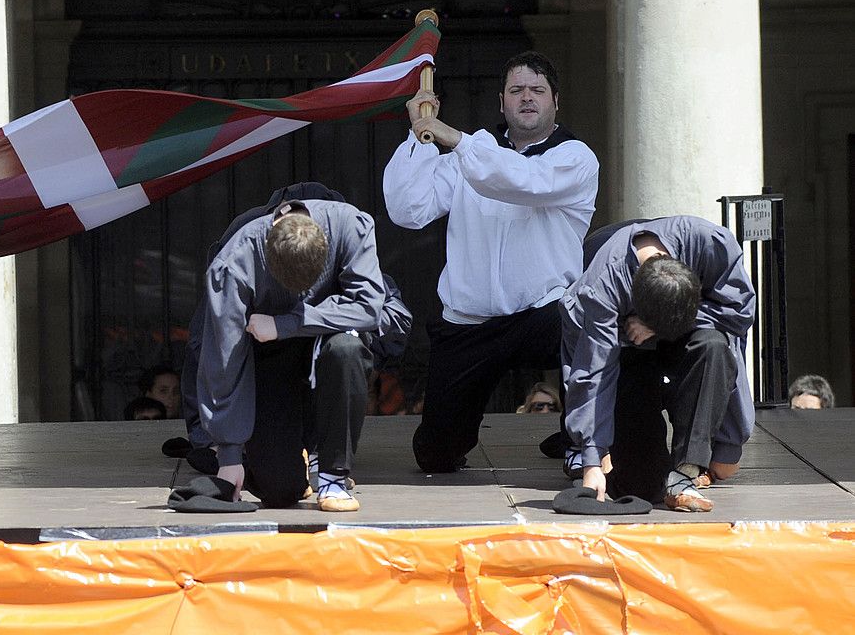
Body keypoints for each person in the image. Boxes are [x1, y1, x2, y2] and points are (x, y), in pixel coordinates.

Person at [382, 51, 599, 472]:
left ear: (556, 100)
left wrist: (457, 140)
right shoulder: (471, 155)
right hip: (470, 323)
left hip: (544, 312)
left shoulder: (575, 157)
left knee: (592, 325)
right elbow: (409, 209)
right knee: (435, 456)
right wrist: (420, 133)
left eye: (537, 90)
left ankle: (582, 438)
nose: (527, 98)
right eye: (516, 90)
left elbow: (522, 182)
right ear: (502, 102)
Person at [195, 191, 390, 512]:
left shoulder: (349, 227)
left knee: (347, 349)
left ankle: (332, 476)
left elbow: (368, 308)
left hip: (328, 346)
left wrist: (286, 323)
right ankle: (291, 457)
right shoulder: (235, 263)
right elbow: (223, 359)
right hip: (270, 360)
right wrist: (229, 455)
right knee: (280, 491)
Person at [562, 216, 756, 513]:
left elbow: (739, 313)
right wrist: (591, 457)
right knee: (642, 488)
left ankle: (686, 471)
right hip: (628, 354)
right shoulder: (603, 287)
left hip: (692, 331)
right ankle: (634, 466)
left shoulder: (710, 244)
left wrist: (730, 442)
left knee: (713, 344)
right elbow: (593, 373)